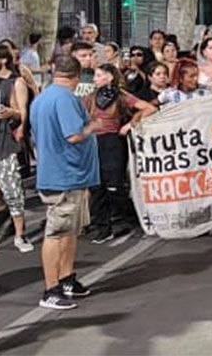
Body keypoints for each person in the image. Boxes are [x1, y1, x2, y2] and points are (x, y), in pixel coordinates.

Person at [30, 56, 100, 310]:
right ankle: (51, 289)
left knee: (69, 231)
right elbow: (74, 135)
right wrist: (93, 125)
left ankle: (66, 278)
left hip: (65, 174)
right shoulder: (65, 98)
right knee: (57, 233)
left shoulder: (43, 98)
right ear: (77, 76)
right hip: (64, 175)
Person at [85, 64, 153, 242]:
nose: (95, 79)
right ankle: (102, 227)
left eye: (99, 75)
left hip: (113, 142)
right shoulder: (90, 97)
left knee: (114, 185)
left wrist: (130, 124)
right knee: (96, 186)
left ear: (109, 77)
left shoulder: (122, 96)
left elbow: (148, 108)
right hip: (94, 142)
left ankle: (123, 220)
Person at [0, 47, 33, 254]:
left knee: (13, 191)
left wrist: (11, 112)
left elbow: (19, 114)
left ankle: (20, 235)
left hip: (4, 144)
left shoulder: (6, 85)